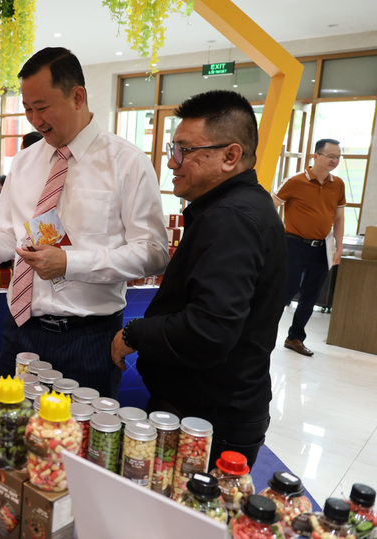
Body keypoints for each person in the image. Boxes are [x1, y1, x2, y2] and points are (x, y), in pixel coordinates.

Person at [0, 47, 168, 399]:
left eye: (43, 107)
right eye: (27, 108)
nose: (35, 120)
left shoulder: (127, 163)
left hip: (89, 338)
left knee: (77, 448)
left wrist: (71, 262)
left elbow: (154, 253)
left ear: (77, 96)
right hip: (20, 329)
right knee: (11, 438)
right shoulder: (24, 162)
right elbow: (7, 235)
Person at [111, 90, 287, 468]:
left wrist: (134, 334)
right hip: (214, 403)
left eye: (185, 151)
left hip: (208, 415)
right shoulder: (235, 208)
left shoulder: (232, 220)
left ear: (230, 156)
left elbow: (209, 330)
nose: (173, 163)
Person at [273, 138, 346, 356]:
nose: (334, 160)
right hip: (293, 245)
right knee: (285, 292)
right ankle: (261, 334)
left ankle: (295, 338)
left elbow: (339, 218)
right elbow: (270, 206)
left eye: (337, 157)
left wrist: (339, 247)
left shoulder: (338, 184)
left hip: (322, 247)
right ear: (316, 156)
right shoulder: (295, 181)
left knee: (311, 295)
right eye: (330, 156)